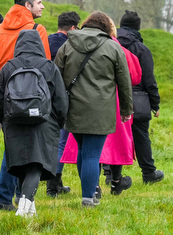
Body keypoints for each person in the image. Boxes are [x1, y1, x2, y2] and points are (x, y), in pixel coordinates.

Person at [54, 12, 132, 207]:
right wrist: (126, 109)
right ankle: (88, 198)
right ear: (106, 27)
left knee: (82, 150)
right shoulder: (113, 46)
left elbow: (56, 76)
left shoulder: (67, 44)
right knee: (91, 154)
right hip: (101, 109)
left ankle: (89, 193)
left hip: (73, 108)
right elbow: (124, 81)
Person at [0, 0, 51, 212]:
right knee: (27, 149)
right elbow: (45, 66)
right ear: (27, 5)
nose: (42, 7)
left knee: (12, 146)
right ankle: (16, 197)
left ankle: (5, 197)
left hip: (5, 97)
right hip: (33, 98)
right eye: (39, 3)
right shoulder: (37, 30)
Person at [0, 29, 69, 218]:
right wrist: (59, 122)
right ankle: (24, 206)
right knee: (36, 164)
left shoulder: (8, 67)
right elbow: (60, 99)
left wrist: (5, 121)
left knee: (20, 164)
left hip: (14, 122)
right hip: (44, 122)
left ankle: (28, 207)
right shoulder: (49, 66)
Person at [116, 11, 165, 184]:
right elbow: (149, 80)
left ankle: (111, 176)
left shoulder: (110, 43)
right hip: (137, 99)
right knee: (141, 136)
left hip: (112, 97)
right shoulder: (141, 49)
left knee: (114, 136)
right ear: (138, 27)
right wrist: (155, 104)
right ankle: (148, 173)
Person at [46, 11, 80, 197]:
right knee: (61, 142)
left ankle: (55, 183)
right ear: (73, 28)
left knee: (52, 142)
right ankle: (53, 185)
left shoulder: (46, 42)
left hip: (44, 97)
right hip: (63, 97)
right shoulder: (71, 46)